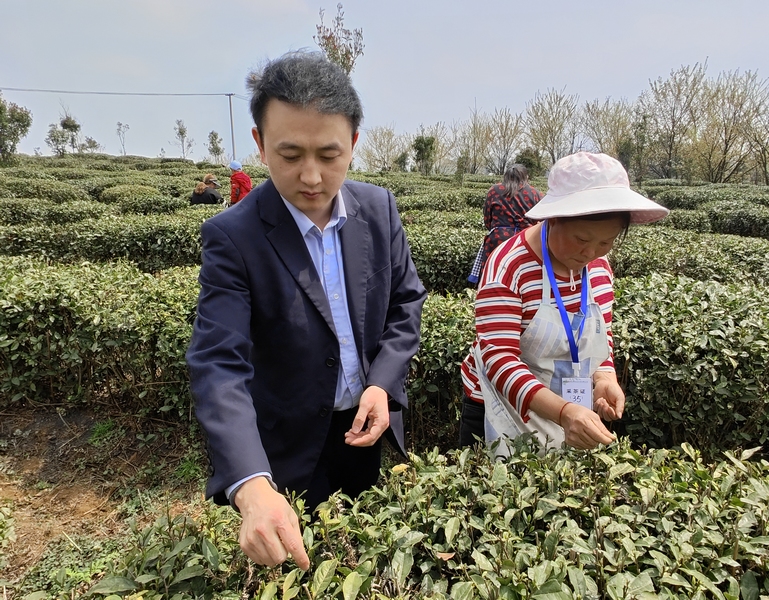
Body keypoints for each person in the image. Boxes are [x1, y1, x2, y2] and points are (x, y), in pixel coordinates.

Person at [186, 51, 427, 571]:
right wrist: (251, 486)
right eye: (290, 155)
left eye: (329, 154)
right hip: (286, 449)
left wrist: (382, 385)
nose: (312, 177)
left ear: (354, 144)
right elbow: (219, 363)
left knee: (366, 563)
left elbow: (406, 301)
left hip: (367, 429)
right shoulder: (234, 236)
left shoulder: (379, 209)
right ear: (260, 144)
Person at [459, 151, 669, 452]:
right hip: (500, 411)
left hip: (571, 413)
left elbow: (599, 335)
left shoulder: (598, 267)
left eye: (606, 242)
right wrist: (563, 412)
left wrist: (604, 376)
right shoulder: (509, 267)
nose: (591, 253)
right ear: (553, 219)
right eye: (582, 240)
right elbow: (499, 360)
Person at [468, 164, 542, 284]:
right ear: (526, 177)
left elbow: (487, 218)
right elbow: (541, 221)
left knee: (492, 275)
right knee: (523, 277)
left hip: (498, 239)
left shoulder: (494, 190)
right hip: (525, 240)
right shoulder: (534, 193)